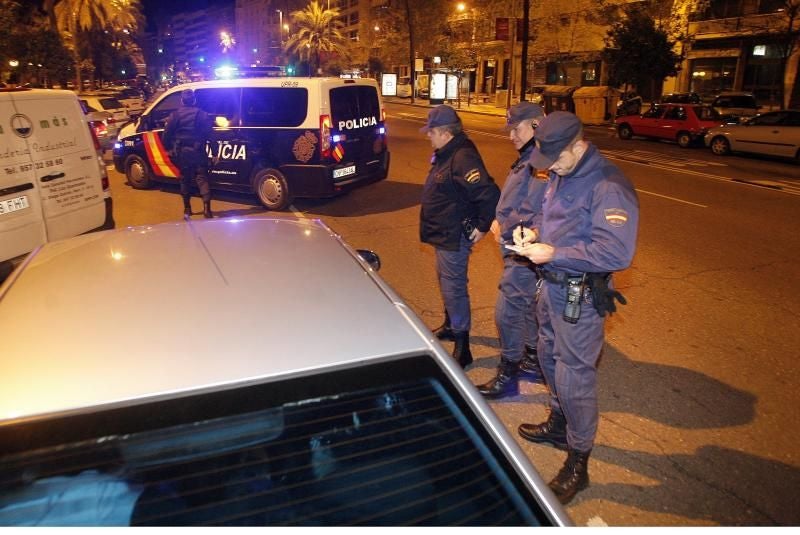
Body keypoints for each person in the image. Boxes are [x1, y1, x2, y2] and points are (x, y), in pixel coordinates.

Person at [513, 111, 639, 504]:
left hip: (580, 297)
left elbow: (616, 251)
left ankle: (578, 459)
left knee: (574, 378)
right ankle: (559, 422)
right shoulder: (561, 171)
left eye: (556, 158)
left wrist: (554, 252)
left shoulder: (608, 185)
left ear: (578, 146)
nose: (549, 167)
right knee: (550, 360)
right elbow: (554, 217)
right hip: (551, 290)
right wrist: (533, 231)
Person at [420, 105, 500, 368]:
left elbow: (487, 194)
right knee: (445, 282)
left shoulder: (462, 157)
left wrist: (483, 225)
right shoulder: (446, 152)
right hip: (443, 232)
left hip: (453, 234)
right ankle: (450, 325)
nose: (428, 136)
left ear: (444, 132)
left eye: (431, 132)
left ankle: (463, 348)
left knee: (454, 288)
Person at [476, 101, 547, 399]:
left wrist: (508, 228)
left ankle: (510, 373)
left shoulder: (541, 163)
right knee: (528, 307)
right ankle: (534, 358)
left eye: (516, 129)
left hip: (523, 249)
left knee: (507, 312)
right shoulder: (529, 157)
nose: (511, 136)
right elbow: (518, 200)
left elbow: (539, 212)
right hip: (514, 245)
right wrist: (498, 219)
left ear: (535, 125)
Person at [162, 89, 213, 218]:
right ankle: (207, 209)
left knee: (185, 180)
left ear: (182, 101)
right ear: (194, 100)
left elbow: (166, 136)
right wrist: (215, 153)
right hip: (198, 151)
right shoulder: (203, 115)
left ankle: (187, 209)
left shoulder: (175, 116)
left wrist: (169, 149)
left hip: (182, 153)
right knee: (202, 178)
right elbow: (210, 135)